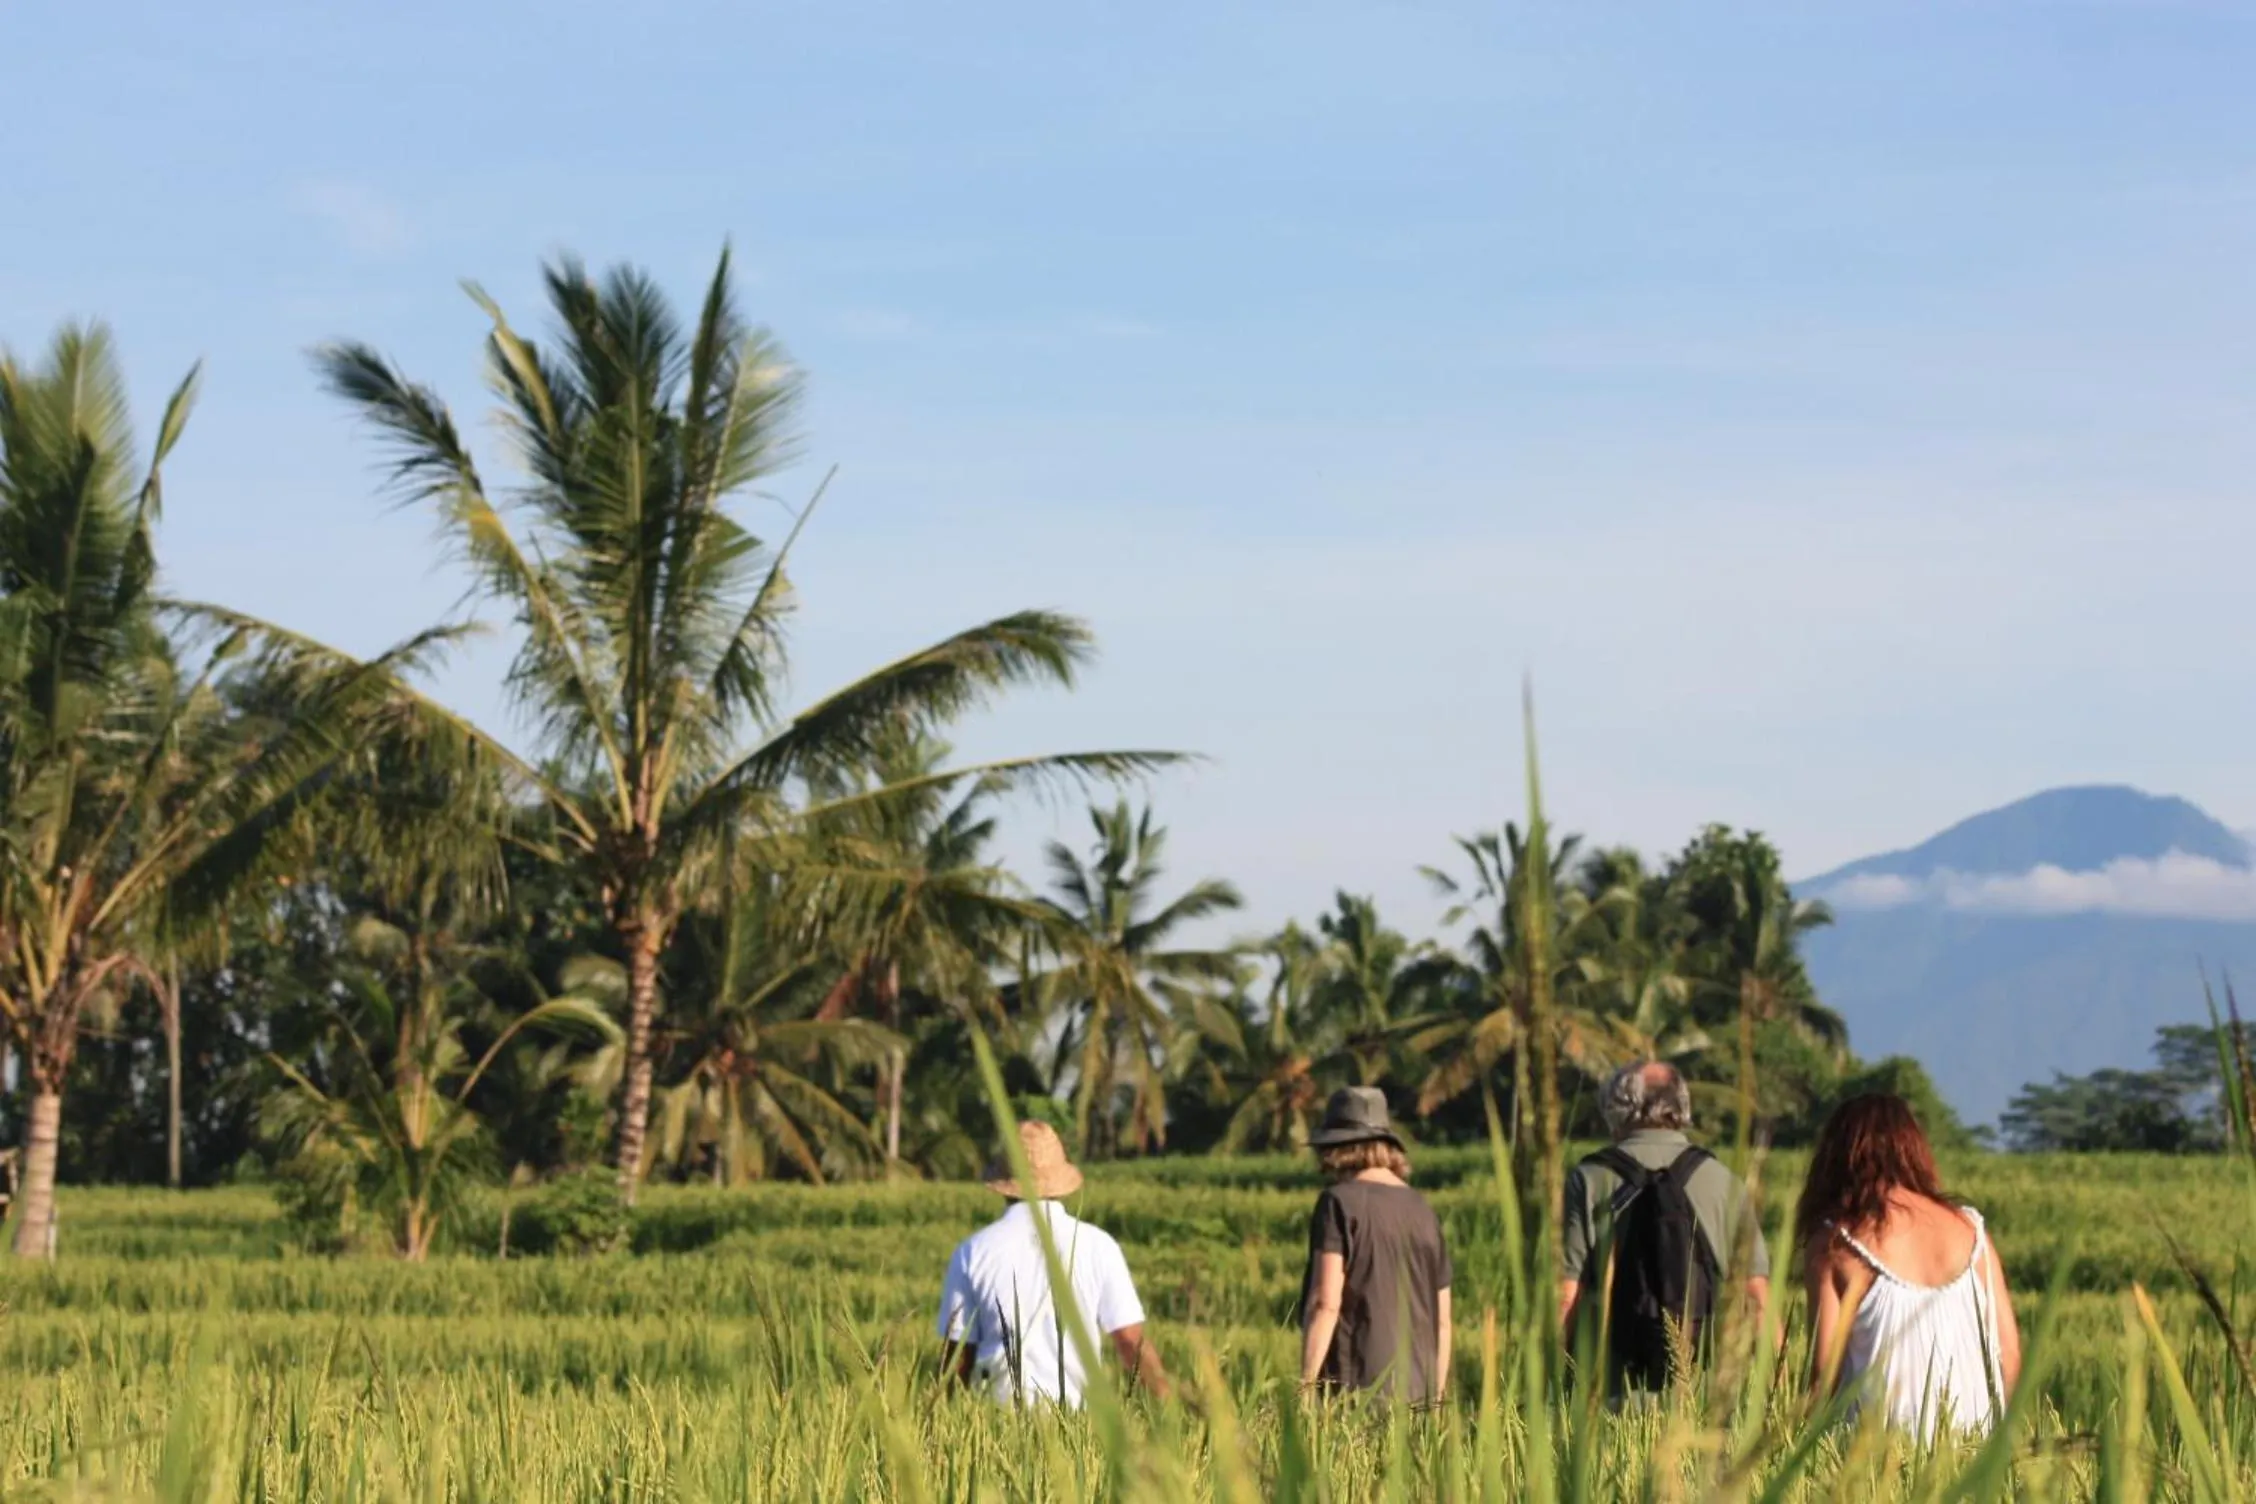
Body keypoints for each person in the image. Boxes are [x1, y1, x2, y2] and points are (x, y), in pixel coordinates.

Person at [1796, 1093, 2020, 1438]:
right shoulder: (1972, 1232)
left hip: (1877, 1454)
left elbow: (1825, 1375)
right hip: (1974, 1445)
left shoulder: (1835, 1244)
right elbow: (2009, 1353)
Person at [1559, 1061, 1771, 1393]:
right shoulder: (1724, 1181)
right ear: (1682, 1107)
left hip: (1607, 1390)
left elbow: (1566, 1295)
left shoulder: (1587, 1180)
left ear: (1618, 1107)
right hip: (1703, 1394)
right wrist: (1778, 1390)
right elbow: (1757, 1296)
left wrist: (1546, 1384)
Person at [936, 1120, 1170, 1405]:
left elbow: (958, 1356)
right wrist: (1171, 1409)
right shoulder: (1099, 1246)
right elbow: (1130, 1342)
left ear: (1004, 1184)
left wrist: (939, 1419)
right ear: (1060, 1182)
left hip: (995, 1416)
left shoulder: (972, 1252)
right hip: (1080, 1418)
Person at [1298, 1086, 1454, 1404]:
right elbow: (1442, 1321)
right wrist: (1436, 1400)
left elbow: (1326, 1303)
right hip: (1417, 1398)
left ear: (1335, 1148)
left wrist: (1304, 1388)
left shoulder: (1337, 1203)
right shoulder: (1422, 1209)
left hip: (1353, 1393)